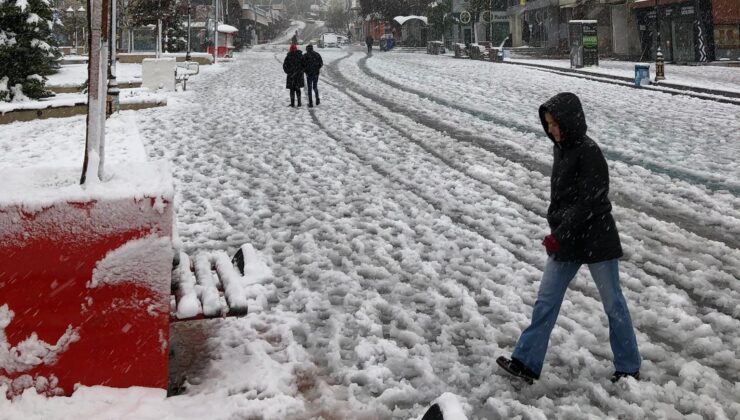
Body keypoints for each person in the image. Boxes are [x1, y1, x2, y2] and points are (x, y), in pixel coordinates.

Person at [497, 92, 641, 384]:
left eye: (554, 124)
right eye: (547, 124)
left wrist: (559, 234)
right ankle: (526, 361)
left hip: (596, 238)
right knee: (546, 301)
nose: (550, 130)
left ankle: (628, 366)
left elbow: (590, 202)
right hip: (567, 239)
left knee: (613, 304)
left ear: (569, 121)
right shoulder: (561, 148)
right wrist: (557, 228)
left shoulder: (590, 152)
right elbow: (561, 199)